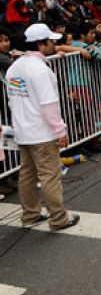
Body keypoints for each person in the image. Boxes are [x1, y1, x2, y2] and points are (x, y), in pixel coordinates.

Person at [5, 23, 80, 230]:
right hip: (42, 132)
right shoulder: (40, 69)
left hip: (23, 131)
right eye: (51, 41)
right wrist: (60, 131)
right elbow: (49, 105)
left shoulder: (15, 68)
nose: (54, 44)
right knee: (50, 176)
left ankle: (30, 215)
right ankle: (58, 218)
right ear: (41, 43)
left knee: (27, 176)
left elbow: (13, 100)